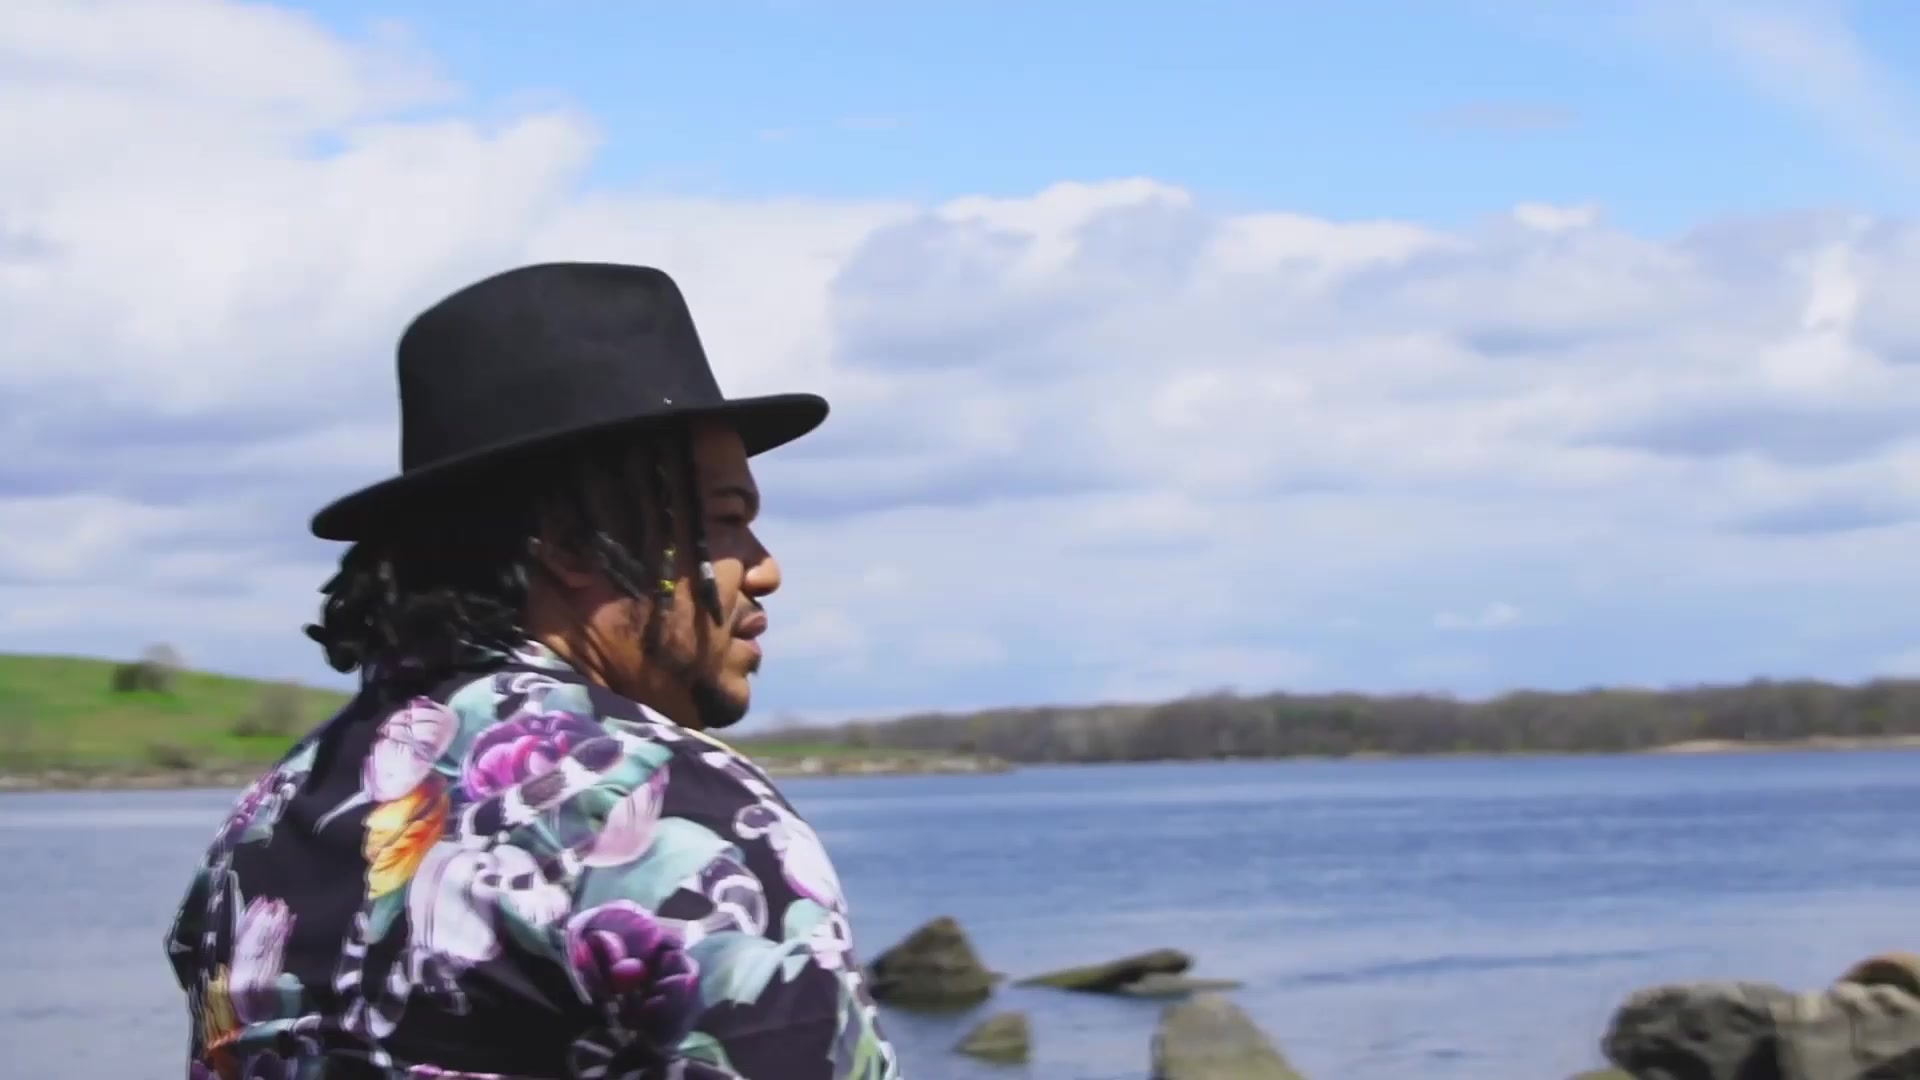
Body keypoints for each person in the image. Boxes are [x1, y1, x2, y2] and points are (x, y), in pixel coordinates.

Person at [164, 263, 903, 1080]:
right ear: (574, 542)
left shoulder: (267, 822)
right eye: (727, 520)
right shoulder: (656, 802)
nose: (764, 569)